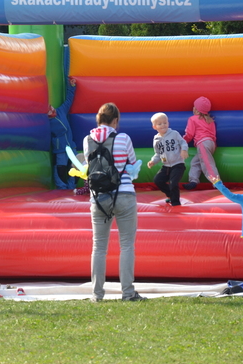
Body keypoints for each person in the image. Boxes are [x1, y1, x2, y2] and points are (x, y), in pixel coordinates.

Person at [84, 103, 145, 301]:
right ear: (115, 120)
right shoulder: (123, 138)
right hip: (124, 193)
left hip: (98, 197)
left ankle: (97, 295)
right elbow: (133, 165)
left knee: (98, 247)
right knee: (126, 245)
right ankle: (128, 293)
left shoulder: (87, 139)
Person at [147, 112, 189, 206]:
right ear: (155, 127)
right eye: (160, 124)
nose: (163, 125)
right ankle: (170, 194)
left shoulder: (174, 134)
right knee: (158, 180)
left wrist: (184, 150)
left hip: (178, 164)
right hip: (166, 166)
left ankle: (176, 203)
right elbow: (158, 153)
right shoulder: (156, 139)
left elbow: (183, 142)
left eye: (165, 123)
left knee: (173, 183)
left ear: (168, 123)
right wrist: (153, 161)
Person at [182, 96, 218, 190]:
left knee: (207, 164)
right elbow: (213, 134)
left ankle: (217, 183)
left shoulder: (193, 119)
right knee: (195, 162)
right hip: (211, 144)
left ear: (196, 109)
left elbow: (189, 134)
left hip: (203, 143)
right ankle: (193, 181)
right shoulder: (210, 120)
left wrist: (182, 142)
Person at [49, 78, 77, 189]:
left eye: (51, 108)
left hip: (70, 145)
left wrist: (72, 87)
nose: (52, 110)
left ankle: (72, 185)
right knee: (61, 167)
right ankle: (61, 187)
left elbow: (69, 100)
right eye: (49, 110)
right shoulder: (47, 121)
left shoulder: (60, 111)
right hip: (60, 148)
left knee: (77, 165)